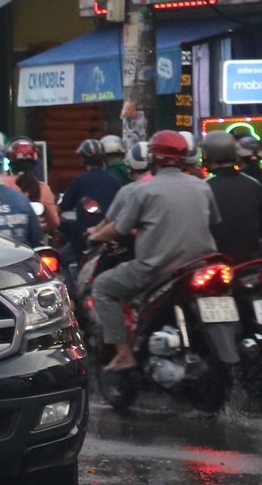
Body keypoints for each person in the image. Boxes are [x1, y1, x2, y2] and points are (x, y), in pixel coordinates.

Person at [86, 130, 220, 371]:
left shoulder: (142, 190)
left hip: (156, 270)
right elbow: (214, 223)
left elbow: (118, 228)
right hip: (202, 265)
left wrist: (95, 236)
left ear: (153, 158)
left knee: (103, 287)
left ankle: (123, 353)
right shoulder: (202, 187)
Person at [57, 137, 125, 266]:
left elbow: (61, 208)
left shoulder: (80, 181)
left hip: (86, 241)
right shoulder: (116, 181)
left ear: (83, 160)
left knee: (60, 261)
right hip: (113, 240)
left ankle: (72, 286)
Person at [204, 130, 262, 262]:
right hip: (252, 261)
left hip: (217, 261)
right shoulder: (253, 184)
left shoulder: (204, 187)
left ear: (208, 155)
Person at [6, 139, 59, 236]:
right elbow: (54, 222)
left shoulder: (3, 184)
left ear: (11, 163)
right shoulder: (43, 188)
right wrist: (39, 228)